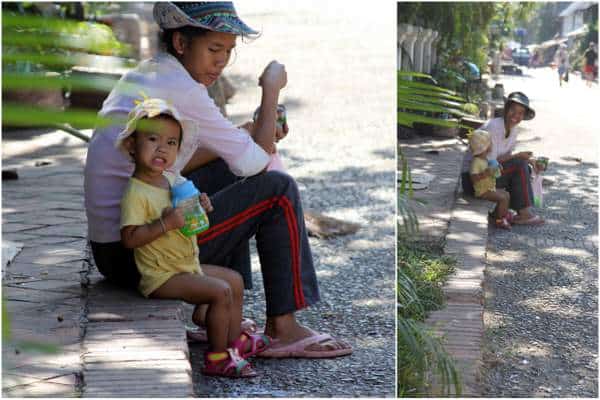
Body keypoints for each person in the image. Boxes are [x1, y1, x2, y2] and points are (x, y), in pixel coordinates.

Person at [83, 1, 351, 358]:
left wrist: (251, 132)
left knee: (231, 166)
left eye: (228, 51)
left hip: (113, 252)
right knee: (278, 190)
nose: (221, 61)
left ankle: (212, 309)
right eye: (213, 49)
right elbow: (254, 162)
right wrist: (271, 90)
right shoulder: (183, 88)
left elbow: (180, 163)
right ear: (181, 43)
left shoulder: (152, 73)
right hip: (139, 254)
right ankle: (283, 327)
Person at [117, 98, 270, 377]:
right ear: (131, 145)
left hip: (185, 265)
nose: (162, 148)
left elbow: (191, 220)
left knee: (233, 280)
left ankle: (234, 342)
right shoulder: (136, 192)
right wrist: (166, 223)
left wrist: (201, 204)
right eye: (153, 139)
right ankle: (217, 357)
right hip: (160, 276)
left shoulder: (171, 180)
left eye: (172, 142)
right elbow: (129, 238)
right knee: (219, 291)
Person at [461, 92, 544, 226]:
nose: (516, 116)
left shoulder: (513, 130)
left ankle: (502, 212)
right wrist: (518, 156)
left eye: (520, 113)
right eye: (513, 110)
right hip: (474, 180)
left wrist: (530, 161)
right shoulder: (494, 127)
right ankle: (524, 214)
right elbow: (490, 163)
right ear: (506, 109)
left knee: (525, 168)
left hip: (487, 176)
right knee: (519, 164)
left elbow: (505, 158)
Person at [468, 130, 511, 229]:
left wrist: (497, 168)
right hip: (483, 191)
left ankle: (498, 214)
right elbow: (474, 178)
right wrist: (486, 173)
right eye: (490, 142)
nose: (492, 144)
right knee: (503, 198)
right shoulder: (476, 162)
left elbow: (491, 172)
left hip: (490, 188)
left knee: (506, 194)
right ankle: (500, 220)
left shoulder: (485, 159)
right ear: (484, 147)